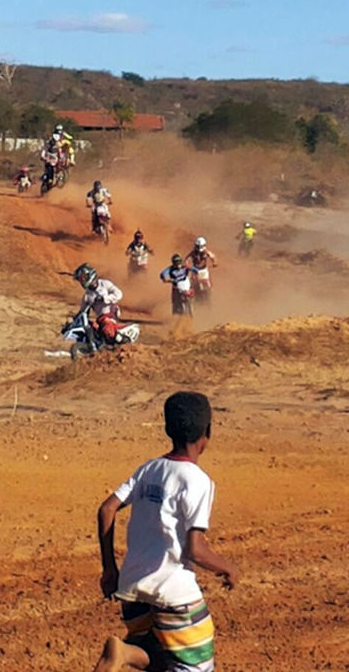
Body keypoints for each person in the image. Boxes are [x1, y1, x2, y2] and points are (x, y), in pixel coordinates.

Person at [91, 391, 239, 672]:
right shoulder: (198, 481)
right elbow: (195, 548)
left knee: (160, 660)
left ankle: (125, 653)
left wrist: (110, 571)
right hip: (174, 595)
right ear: (207, 433)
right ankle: (124, 654)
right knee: (195, 667)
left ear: (167, 429)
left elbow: (107, 509)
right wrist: (228, 568)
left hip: (133, 590)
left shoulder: (149, 469)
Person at [74, 262, 125, 344]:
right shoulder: (87, 295)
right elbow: (82, 311)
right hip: (100, 318)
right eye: (80, 280)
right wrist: (75, 320)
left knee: (107, 330)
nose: (82, 281)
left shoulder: (105, 284)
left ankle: (121, 339)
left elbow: (119, 294)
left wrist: (105, 298)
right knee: (91, 328)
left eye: (83, 278)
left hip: (111, 314)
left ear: (90, 275)